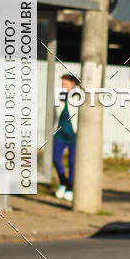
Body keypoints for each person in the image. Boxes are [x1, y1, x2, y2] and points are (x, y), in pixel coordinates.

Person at [53, 73, 78, 203]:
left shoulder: (79, 96)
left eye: (65, 83)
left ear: (73, 83)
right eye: (62, 83)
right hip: (60, 133)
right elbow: (55, 114)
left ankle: (70, 188)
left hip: (73, 134)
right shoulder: (60, 96)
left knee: (72, 162)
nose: (63, 86)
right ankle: (64, 183)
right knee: (56, 159)